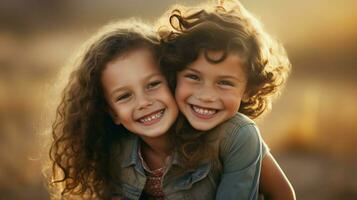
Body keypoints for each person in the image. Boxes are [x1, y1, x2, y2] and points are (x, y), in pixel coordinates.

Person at [45, 18, 263, 200]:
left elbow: (282, 193)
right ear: (112, 113)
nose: (143, 103)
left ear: (172, 80)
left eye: (153, 84)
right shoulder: (114, 153)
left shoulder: (231, 136)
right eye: (124, 96)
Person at [158, 0, 295, 199]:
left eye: (224, 83)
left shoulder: (240, 134)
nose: (206, 96)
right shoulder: (159, 123)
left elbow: (284, 194)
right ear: (175, 75)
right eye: (194, 77)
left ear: (248, 89)